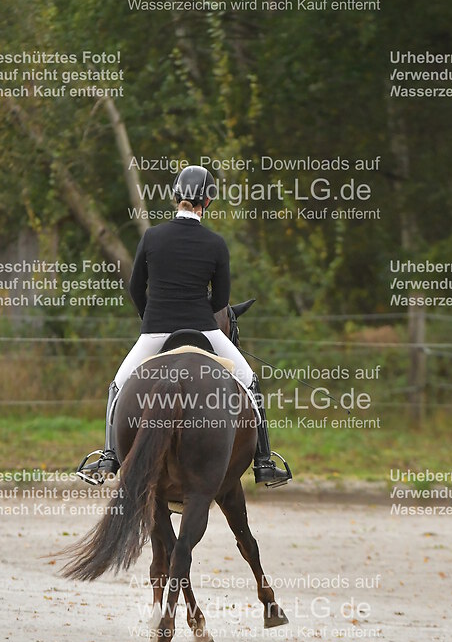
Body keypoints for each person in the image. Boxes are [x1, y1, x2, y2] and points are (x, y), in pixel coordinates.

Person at [77, 165, 292, 487]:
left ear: (176, 197)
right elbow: (221, 299)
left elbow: (135, 288)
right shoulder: (215, 243)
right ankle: (264, 462)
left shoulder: (152, 237)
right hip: (204, 330)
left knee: (118, 386)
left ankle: (109, 456)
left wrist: (152, 317)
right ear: (207, 201)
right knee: (250, 382)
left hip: (155, 332)